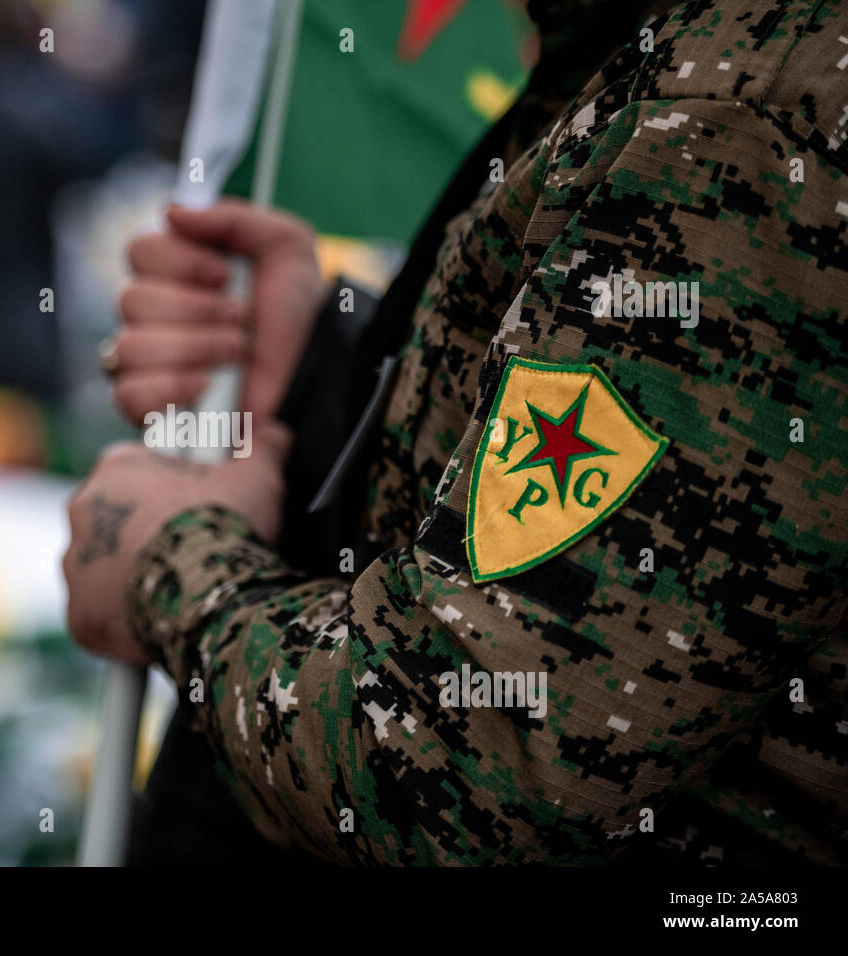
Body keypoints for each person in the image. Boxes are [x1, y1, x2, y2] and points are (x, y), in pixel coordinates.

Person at [64, 0, 848, 865]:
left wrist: (168, 569)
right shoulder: (653, 48)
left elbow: (463, 767)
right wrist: (315, 380)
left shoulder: (744, 112)